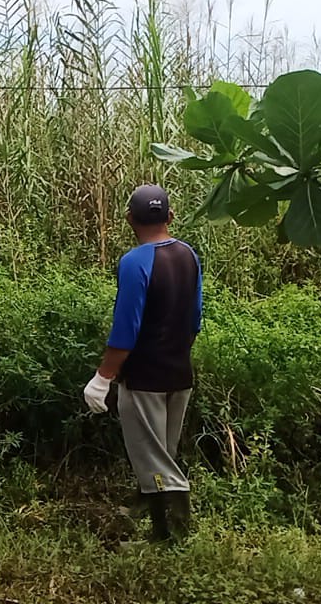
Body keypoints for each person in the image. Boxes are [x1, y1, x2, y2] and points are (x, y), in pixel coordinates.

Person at [82, 184, 202, 543]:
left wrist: (103, 377)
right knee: (162, 451)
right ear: (170, 216)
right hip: (180, 374)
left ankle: (172, 535)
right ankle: (146, 508)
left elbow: (125, 329)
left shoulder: (134, 262)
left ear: (129, 219)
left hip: (145, 378)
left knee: (156, 459)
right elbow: (195, 318)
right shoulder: (188, 254)